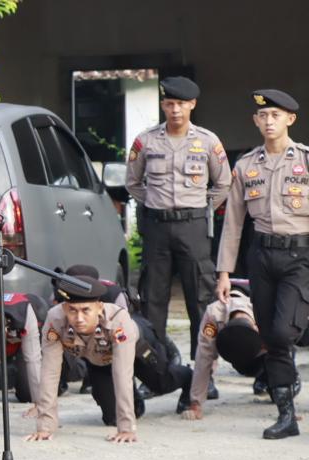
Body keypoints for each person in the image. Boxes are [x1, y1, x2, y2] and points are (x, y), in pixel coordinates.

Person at [217, 89, 309, 440]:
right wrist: (224, 271)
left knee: (284, 332)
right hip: (262, 256)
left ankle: (292, 352)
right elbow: (234, 223)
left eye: (276, 115)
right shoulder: (246, 165)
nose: (269, 121)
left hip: (300, 256)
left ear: (290, 119)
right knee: (270, 336)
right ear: (255, 121)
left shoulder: (305, 160)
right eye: (263, 116)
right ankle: (287, 414)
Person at [125, 76, 232, 370]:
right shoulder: (145, 141)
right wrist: (155, 200)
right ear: (163, 105)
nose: (175, 110)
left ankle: (203, 371)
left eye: (181, 104)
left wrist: (202, 205)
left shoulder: (208, 141)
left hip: (194, 225)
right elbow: (132, 182)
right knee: (153, 299)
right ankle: (155, 367)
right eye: (170, 104)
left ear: (192, 105)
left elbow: (223, 183)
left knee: (200, 299)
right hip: (157, 226)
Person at [27, 276, 143, 444]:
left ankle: (184, 379)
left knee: (161, 381)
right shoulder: (55, 319)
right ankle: (133, 400)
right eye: (72, 310)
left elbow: (122, 373)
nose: (79, 318)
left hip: (138, 348)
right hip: (100, 360)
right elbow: (49, 372)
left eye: (86, 310)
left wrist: (126, 428)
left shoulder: (118, 319)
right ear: (64, 308)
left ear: (99, 307)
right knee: (111, 417)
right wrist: (45, 427)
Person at [181, 283, 265, 419]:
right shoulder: (213, 316)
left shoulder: (264, 309)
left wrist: (286, 405)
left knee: (279, 347)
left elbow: (283, 350)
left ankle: (272, 383)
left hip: (262, 354)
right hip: (236, 353)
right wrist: (195, 403)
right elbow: (203, 358)